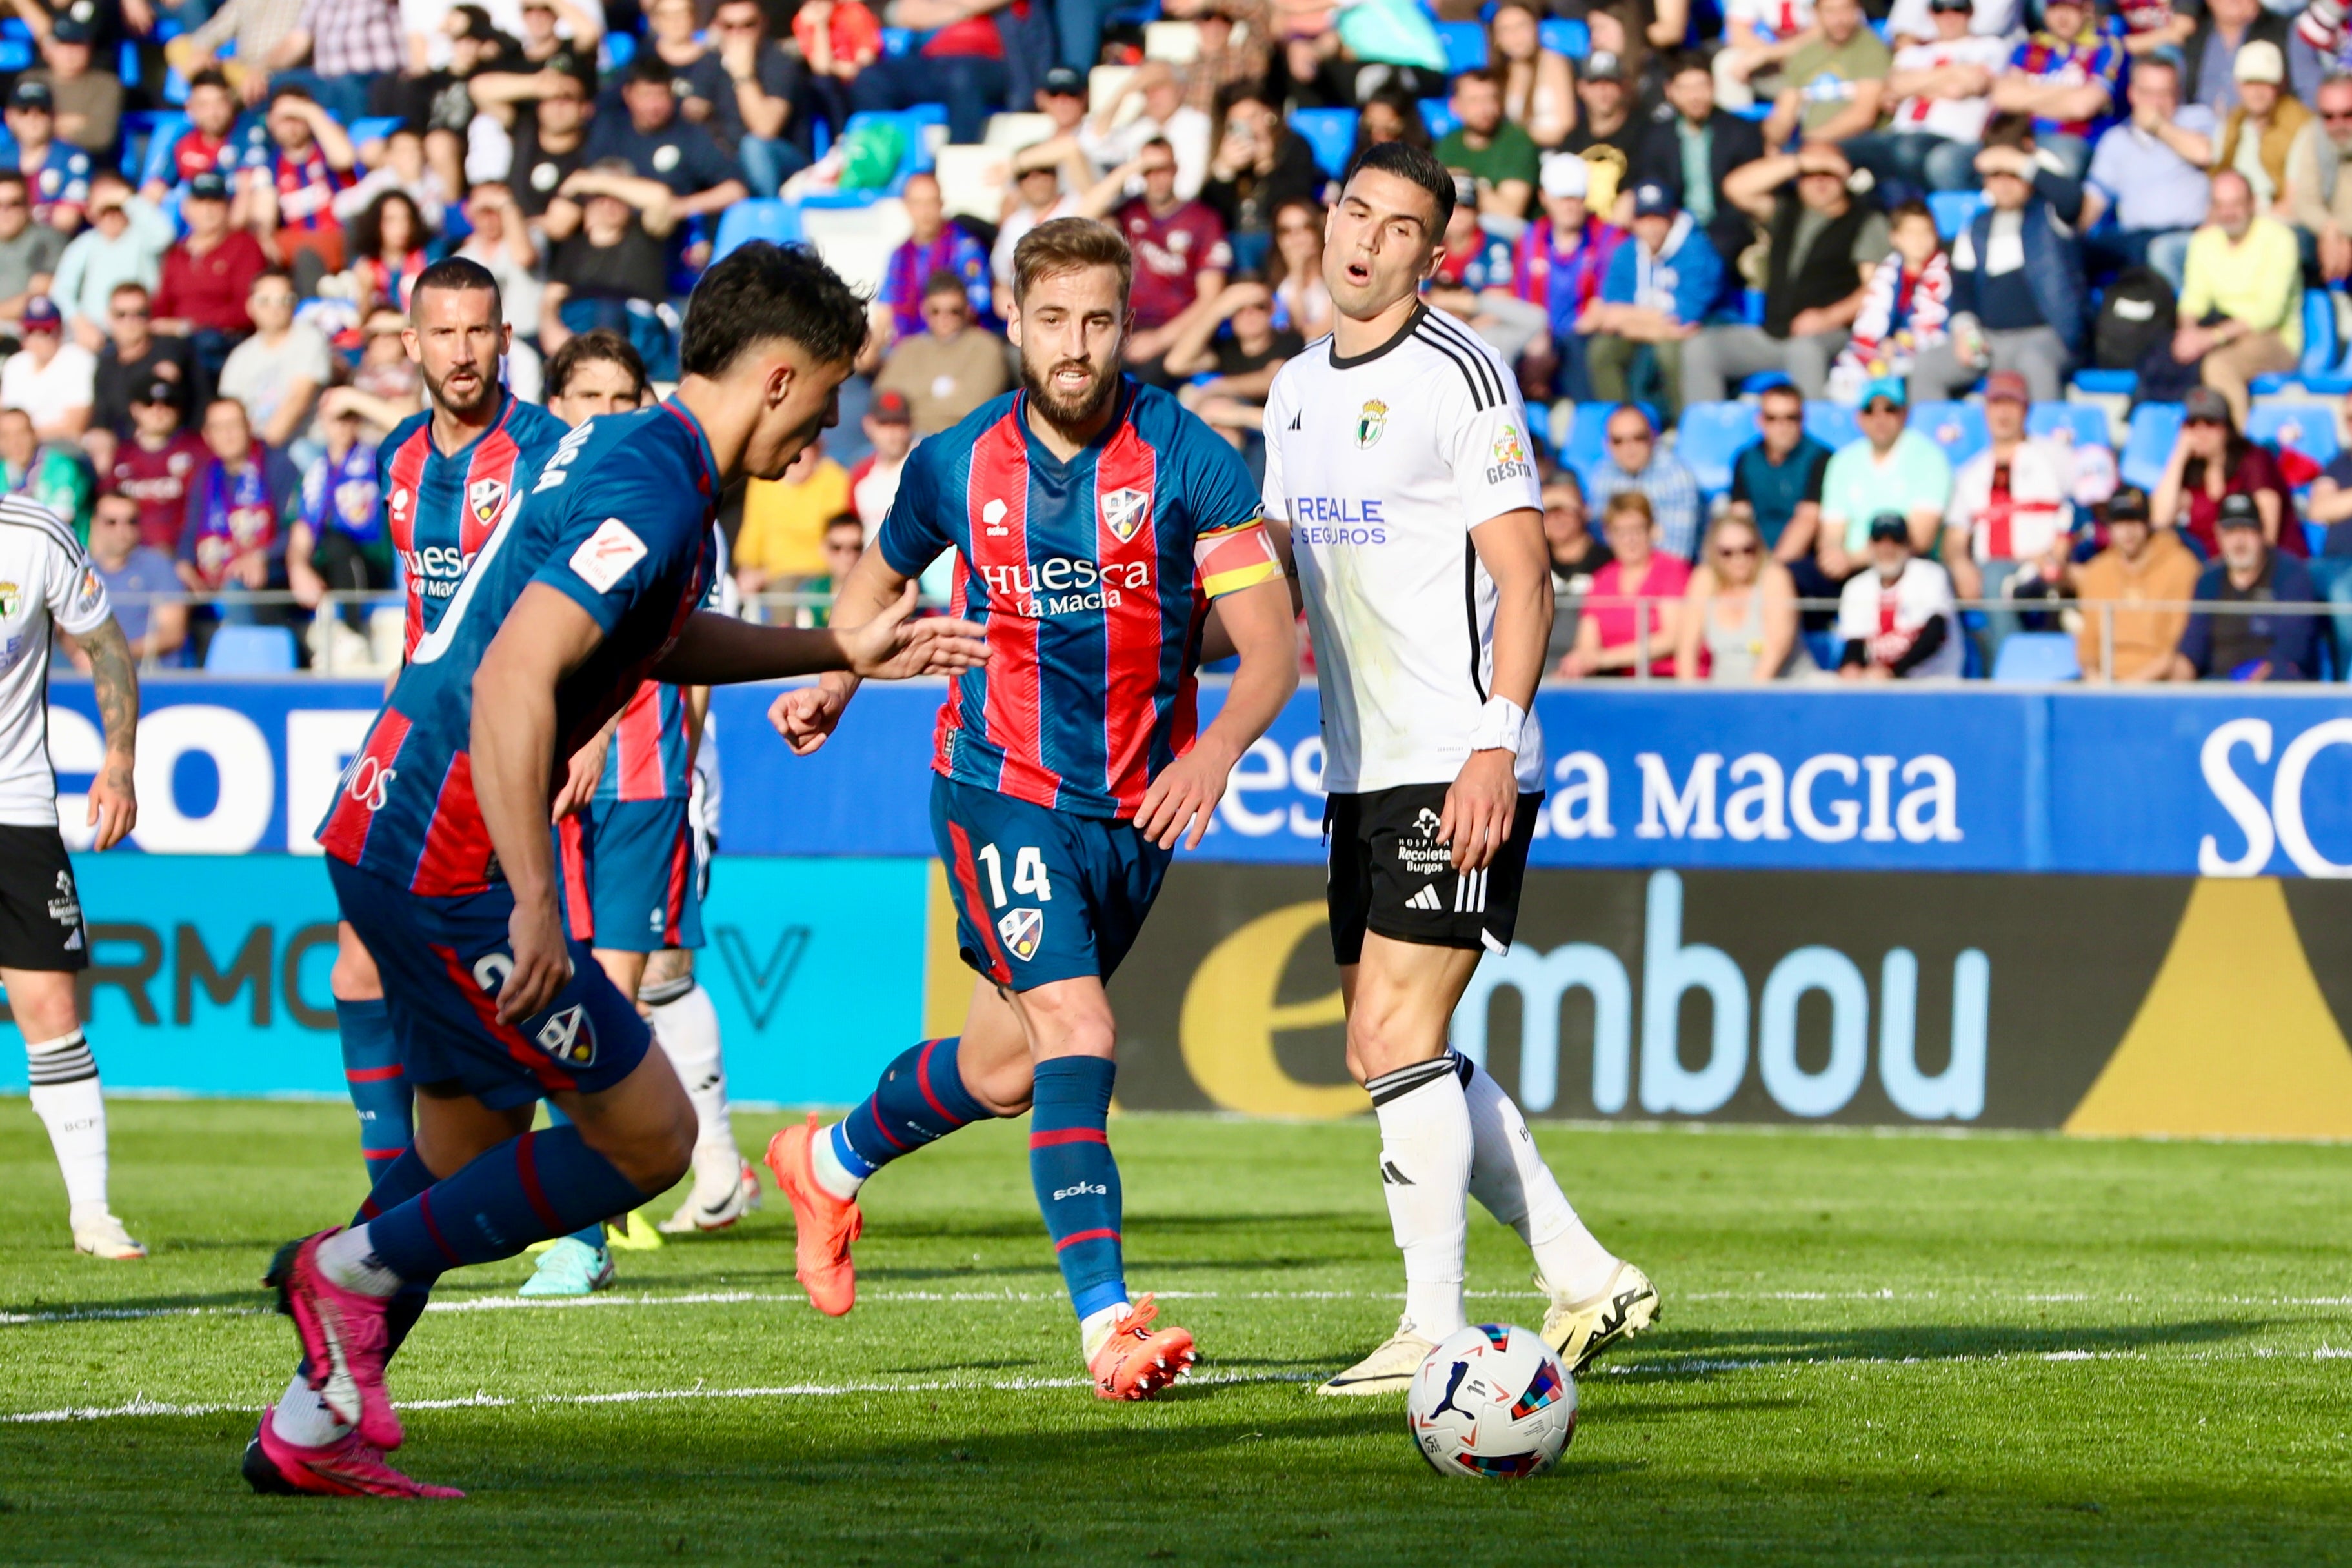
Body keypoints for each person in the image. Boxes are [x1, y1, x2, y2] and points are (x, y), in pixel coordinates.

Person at [245, 240, 986, 1499]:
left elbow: (649, 634)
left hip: (390, 825)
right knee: (651, 1136)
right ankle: (340, 1274)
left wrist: (834, 644)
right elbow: (516, 676)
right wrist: (536, 898)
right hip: (447, 855)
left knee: (461, 1156)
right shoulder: (655, 486)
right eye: (823, 399)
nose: (822, 430)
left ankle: (309, 1432)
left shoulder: (635, 458)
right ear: (778, 376)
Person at [763, 217, 1293, 1402]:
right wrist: (838, 678)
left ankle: (828, 1161)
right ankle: (1107, 1322)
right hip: (998, 783)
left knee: (1008, 1069)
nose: (1076, 344)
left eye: (1099, 319)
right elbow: (882, 575)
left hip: (1136, 806)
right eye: (1053, 319)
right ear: (1016, 323)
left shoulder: (1193, 458)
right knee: (1081, 1033)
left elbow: (1269, 652)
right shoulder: (956, 461)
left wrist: (1211, 755)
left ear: (1127, 323)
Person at [1249, 145, 1654, 1392]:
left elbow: (1530, 579)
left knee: (1393, 1026)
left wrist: (1495, 740)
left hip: (1455, 753)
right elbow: (1266, 575)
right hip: (1360, 761)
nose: (1365, 239)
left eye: (1399, 225)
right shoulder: (1294, 389)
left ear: (1438, 255)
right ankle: (1587, 1276)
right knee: (1391, 1050)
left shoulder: (1460, 376)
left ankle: (1435, 1327)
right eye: (1354, 211)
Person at [528, 329, 753, 1292]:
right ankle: (673, 1177)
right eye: (588, 397)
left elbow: (684, 655)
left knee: (612, 994)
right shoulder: (539, 501)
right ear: (557, 407)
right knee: (562, 994)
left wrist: (606, 737)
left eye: (625, 398)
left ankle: (592, 1220)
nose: (608, 415)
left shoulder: (673, 502)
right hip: (547, 777)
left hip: (642, 777)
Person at [0, 448, 142, 1258]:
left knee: (50, 1013)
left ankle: (92, 1211)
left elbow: (108, 645)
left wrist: (118, 761)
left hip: (15, 806)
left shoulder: (35, 534)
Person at [1689, 142, 1886, 403]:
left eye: (1829, 174)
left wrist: (1828, 317)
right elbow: (1735, 188)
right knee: (1701, 348)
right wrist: (1801, 161)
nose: (1819, 182)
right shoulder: (1785, 211)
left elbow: (1876, 288)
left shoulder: (1866, 220)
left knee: (1804, 351)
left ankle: (1810, 438)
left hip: (1832, 335)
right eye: (1810, 174)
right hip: (1774, 333)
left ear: (1845, 176)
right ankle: (1706, 436)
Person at [1934, 116, 2088, 405]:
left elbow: (2072, 199)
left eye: (2012, 175)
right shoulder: (1978, 226)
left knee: (2035, 364)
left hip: (2045, 336)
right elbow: (1963, 287)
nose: (2004, 185)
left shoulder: (2049, 215)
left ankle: (2045, 447)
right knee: (1928, 368)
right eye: (1995, 175)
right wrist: (1965, 329)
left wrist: (2023, 162)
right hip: (1991, 340)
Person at [1940, 371, 2075, 648]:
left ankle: (2009, 672)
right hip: (1990, 568)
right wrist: (1961, 565)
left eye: (2011, 404)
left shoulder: (2056, 459)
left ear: (2026, 409)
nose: (2003, 413)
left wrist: (2056, 554)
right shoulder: (1971, 473)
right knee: (1987, 579)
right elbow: (1955, 538)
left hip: (2043, 566)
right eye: (1996, 403)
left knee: (1996, 581)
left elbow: (2079, 514)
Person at [2171, 169, 2304, 430]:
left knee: (2219, 365)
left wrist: (2209, 338)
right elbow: (2193, 301)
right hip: (2221, 332)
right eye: (2220, 205)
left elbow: (2269, 313)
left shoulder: (2280, 240)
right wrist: (2188, 335)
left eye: (2235, 204)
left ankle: (2234, 453)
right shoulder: (2203, 242)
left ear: (2252, 203)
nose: (2228, 213)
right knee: (2167, 357)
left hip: (2274, 339)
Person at [1580, 182, 1720, 422]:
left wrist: (1630, 318)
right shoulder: (1626, 253)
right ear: (1634, 221)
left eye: (1659, 218)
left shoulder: (1697, 250)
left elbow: (1685, 318)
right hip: (1653, 333)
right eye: (1644, 219)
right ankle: (1621, 424)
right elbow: (1611, 315)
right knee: (1602, 350)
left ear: (1673, 217)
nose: (1651, 227)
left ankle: (1682, 425)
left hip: (1703, 331)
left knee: (1670, 351)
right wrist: (1655, 327)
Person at [1844, 0, 2008, 196]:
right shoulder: (1913, 53)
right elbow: (1893, 89)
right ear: (1931, 13)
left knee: (1911, 152)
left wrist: (1916, 83)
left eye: (1958, 9)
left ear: (1970, 12)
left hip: (1952, 138)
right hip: (1899, 133)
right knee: (1841, 151)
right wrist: (1955, 74)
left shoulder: (1990, 47)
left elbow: (1963, 88)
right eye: (1940, 9)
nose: (1949, 16)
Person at [2081, 57, 2215, 292]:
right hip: (2133, 239)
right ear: (2132, 94)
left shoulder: (2196, 118)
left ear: (2178, 93)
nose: (2156, 103)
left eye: (2165, 93)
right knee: (2073, 255)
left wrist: (2159, 127)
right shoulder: (2116, 140)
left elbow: (2204, 153)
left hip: (2188, 234)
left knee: (2161, 251)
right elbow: (2094, 202)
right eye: (2148, 94)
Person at [538, 161, 679, 376]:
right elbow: (551, 299)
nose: (609, 205)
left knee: (609, 317)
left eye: (618, 197)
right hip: (579, 328)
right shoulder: (574, 245)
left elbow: (661, 199)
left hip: (636, 329)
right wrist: (552, 330)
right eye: (600, 197)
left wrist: (592, 181)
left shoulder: (645, 234)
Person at [1632, 54, 1764, 283]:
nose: (1695, 97)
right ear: (1670, 91)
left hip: (1728, 231)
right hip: (1673, 227)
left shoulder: (1741, 132)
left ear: (1714, 87)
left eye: (1702, 86)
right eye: (1686, 88)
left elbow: (1743, 203)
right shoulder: (1656, 137)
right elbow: (1655, 189)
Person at [1114, 138, 1234, 377]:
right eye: (1148, 171)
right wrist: (1126, 171)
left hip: (1178, 327)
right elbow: (1079, 217)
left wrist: (1159, 340)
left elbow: (1211, 297)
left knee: (1149, 379)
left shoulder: (1204, 219)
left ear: (1176, 169)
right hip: (1126, 322)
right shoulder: (1126, 214)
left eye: (1163, 169)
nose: (1157, 178)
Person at [2171, 491, 2320, 680]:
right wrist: (2177, 691)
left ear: (2262, 532)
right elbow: (2192, 650)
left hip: (2275, 688)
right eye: (2231, 532)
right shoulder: (2208, 580)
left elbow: (2292, 650)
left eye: (2247, 530)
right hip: (2218, 687)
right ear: (2218, 534)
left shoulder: (2291, 574)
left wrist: (2242, 687)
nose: (2239, 542)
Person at [1512, 154, 1623, 400]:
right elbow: (1520, 301)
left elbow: (1603, 306)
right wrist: (1539, 341)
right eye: (1562, 198)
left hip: (1581, 342)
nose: (1570, 206)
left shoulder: (1610, 239)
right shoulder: (1529, 240)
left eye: (1576, 197)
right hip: (1536, 341)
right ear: (1544, 198)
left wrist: (1555, 349)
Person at [1818, 377, 1953, 578]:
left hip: (1907, 567)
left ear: (1904, 414)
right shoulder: (1842, 462)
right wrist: (1833, 556)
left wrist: (1851, 560)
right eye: (1870, 410)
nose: (1880, 418)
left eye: (1889, 409)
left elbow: (1920, 539)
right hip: (1847, 569)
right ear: (1859, 417)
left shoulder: (1929, 458)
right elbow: (1831, 532)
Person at [2151, 384, 2299, 558]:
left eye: (2210, 423)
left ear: (2227, 428)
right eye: (2192, 424)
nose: (2201, 432)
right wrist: (2179, 454)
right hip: (2211, 572)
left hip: (2266, 567)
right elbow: (2159, 521)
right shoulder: (2189, 471)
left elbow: (2267, 535)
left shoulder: (2255, 461)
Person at [1828, 200, 1952, 405]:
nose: (1920, 240)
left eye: (1926, 232)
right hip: (1884, 352)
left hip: (1925, 353)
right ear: (1895, 238)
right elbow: (1870, 325)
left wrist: (1901, 346)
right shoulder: (1888, 273)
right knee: (1845, 377)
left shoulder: (1947, 274)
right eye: (1911, 233)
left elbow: (1936, 331)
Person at [2074, 484, 2200, 681]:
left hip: (2159, 682)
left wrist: (2130, 687)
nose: (2127, 532)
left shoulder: (2181, 566)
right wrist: (2093, 675)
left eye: (2134, 522)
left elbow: (2178, 647)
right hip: (2106, 681)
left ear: (2148, 523)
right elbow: (2088, 642)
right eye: (2120, 523)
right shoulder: (2097, 571)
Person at [152, 172, 270, 383]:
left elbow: (246, 310)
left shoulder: (244, 246)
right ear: (187, 208)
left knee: (202, 348)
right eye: (200, 202)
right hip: (177, 340)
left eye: (215, 203)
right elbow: (162, 304)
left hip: (222, 341)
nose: (207, 210)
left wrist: (190, 325)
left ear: (227, 208)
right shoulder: (176, 254)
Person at [1558, 489, 1689, 676]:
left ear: (1651, 530)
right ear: (1608, 534)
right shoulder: (1602, 580)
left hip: (1664, 680)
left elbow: (1672, 637)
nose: (1630, 539)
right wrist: (1578, 662)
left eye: (1637, 529)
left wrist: (1604, 659)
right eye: (1620, 531)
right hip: (1614, 683)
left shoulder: (1673, 570)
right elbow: (1587, 642)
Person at [1163, 274, 1302, 448]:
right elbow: (1176, 363)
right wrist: (1218, 309)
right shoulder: (1227, 349)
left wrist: (1218, 388)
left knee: (1215, 410)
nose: (1249, 314)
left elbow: (1272, 379)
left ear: (1272, 309)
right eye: (1239, 308)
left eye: (1259, 306)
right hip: (1236, 429)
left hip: (1275, 432)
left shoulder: (1290, 341)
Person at [1985, 0, 2119, 181]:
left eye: (2071, 8)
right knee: (1953, 161)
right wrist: (2065, 94)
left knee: (2063, 164)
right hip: (2019, 136)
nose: (2062, 17)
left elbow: (2081, 107)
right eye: (2056, 8)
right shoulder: (2028, 47)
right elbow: (2003, 98)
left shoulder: (2105, 49)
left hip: (2071, 139)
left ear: (2086, 10)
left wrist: (2027, 94)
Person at [287, 399, 387, 638]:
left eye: (350, 417)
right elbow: (301, 531)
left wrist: (363, 402)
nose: (343, 426)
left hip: (369, 560)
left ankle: (355, 635)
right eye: (336, 419)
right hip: (327, 563)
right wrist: (298, 567)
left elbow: (412, 428)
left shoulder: (379, 462)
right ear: (322, 422)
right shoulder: (313, 474)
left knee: (338, 545)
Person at [1676, 505, 1811, 680]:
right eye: (1727, 553)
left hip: (1787, 690)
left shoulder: (1774, 576)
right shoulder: (1705, 578)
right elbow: (1687, 646)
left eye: (1748, 550)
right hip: (1727, 693)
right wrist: (1688, 699)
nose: (1739, 559)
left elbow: (1778, 647)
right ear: (1714, 553)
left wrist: (1749, 701)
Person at [1200, 80, 1320, 273]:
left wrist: (1266, 166)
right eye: (1239, 123)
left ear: (1270, 114)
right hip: (1234, 249)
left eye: (1254, 117)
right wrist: (1224, 172)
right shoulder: (1228, 155)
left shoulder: (1294, 146)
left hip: (1278, 244)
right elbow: (1209, 216)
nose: (1250, 127)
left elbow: (1297, 198)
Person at [246, 87, 357, 294]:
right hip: (300, 251)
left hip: (340, 240)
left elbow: (345, 158)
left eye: (297, 117)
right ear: (271, 122)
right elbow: (262, 218)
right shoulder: (269, 166)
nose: (291, 126)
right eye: (284, 119)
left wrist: (309, 111)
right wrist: (264, 235)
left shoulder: (326, 150)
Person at [874, 273, 1014, 436]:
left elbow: (973, 407)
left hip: (958, 440)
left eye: (954, 311)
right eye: (935, 311)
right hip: (902, 439)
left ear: (967, 309)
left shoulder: (986, 347)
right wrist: (937, 388)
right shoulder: (908, 348)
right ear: (924, 310)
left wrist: (910, 400)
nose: (944, 318)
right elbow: (882, 398)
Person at [1730, 382, 1838, 591]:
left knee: (1782, 583)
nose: (1782, 426)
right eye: (1773, 418)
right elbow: (1739, 518)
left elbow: (1807, 521)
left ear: (1802, 419)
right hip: (1754, 559)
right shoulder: (1745, 459)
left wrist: (1769, 571)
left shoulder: (1820, 458)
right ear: (1760, 421)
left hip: (1801, 563)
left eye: (1791, 417)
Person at [50, 173, 174, 350]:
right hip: (95, 333)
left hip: (139, 328)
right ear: (90, 212)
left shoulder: (142, 237)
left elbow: (164, 237)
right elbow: (61, 291)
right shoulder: (85, 243)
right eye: (103, 210)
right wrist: (80, 324)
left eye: (117, 208)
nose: (111, 217)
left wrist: (127, 199)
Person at [1837, 511, 1963, 678]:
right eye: (1879, 540)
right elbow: (1855, 643)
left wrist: (1893, 672)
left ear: (1908, 545)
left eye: (1896, 540)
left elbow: (1935, 634)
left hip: (1932, 682)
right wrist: (1851, 667)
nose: (1887, 548)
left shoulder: (1930, 575)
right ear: (1870, 545)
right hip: (1882, 685)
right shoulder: (1856, 587)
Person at [217, 269, 331, 452]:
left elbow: (298, 401)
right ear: (250, 306)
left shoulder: (309, 339)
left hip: (304, 444)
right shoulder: (239, 357)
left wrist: (259, 455)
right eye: (264, 301)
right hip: (256, 451)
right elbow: (229, 415)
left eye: (284, 300)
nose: (274, 308)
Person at [878, 173, 993, 345]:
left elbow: (977, 304)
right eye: (917, 203)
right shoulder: (900, 255)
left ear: (941, 205)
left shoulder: (965, 248)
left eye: (930, 203)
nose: (925, 212)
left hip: (955, 343)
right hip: (907, 346)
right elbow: (885, 311)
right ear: (906, 206)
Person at [1762, 0, 1891, 153]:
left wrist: (1808, 143)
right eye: (1830, 11)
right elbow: (1785, 111)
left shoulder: (1872, 49)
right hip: (1810, 145)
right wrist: (1772, 140)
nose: (1839, 19)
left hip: (1857, 143)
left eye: (1846, 10)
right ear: (1816, 14)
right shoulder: (1805, 54)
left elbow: (1862, 116)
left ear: (1858, 11)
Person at [79, 489, 188, 667]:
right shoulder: (81, 570)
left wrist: (114, 655)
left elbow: (173, 632)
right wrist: (79, 655)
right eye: (111, 522)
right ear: (94, 524)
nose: (122, 530)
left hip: (149, 678)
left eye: (131, 521)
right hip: (85, 678)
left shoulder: (158, 565)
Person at [734, 434, 851, 592]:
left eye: (805, 448)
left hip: (819, 573)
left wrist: (772, 572)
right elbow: (752, 534)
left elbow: (837, 542)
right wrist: (748, 570)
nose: (799, 458)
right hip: (770, 578)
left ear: (817, 450)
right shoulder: (763, 482)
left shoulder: (835, 479)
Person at [106, 379, 210, 554]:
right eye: (149, 403)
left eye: (168, 403)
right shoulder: (122, 456)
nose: (158, 410)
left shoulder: (198, 452)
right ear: (135, 409)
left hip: (183, 556)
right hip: (131, 556)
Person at [2208, 41, 2306, 217]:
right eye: (2250, 83)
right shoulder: (2232, 124)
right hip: (2233, 220)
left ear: (2280, 85)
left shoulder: (2298, 125)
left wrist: (2253, 231)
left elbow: (2294, 203)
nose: (2257, 92)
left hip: (2279, 223)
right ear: (2237, 85)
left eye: (2265, 83)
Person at [1436, 68, 1540, 221]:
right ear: (1455, 105)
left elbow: (1510, 212)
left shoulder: (1517, 142)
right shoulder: (1448, 143)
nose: (1485, 109)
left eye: (1491, 99)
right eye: (1474, 100)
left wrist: (1463, 182)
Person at [26, 11, 123, 160]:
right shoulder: (31, 82)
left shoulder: (107, 85)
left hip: (92, 166)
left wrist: (45, 127)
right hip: (37, 163)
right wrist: (72, 124)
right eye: (62, 45)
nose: (70, 53)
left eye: (77, 45)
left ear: (89, 49)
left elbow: (101, 137)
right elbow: (19, 131)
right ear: (46, 50)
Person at [2287, 73, 2352, 287]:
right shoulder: (2313, 137)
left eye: (2348, 114)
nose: (2338, 124)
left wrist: (2339, 232)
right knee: (2289, 241)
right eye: (2328, 116)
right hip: (2328, 243)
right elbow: (2304, 201)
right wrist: (2330, 230)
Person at [6, 79, 94, 234]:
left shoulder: (74, 159)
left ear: (53, 116)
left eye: (42, 111)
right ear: (10, 117)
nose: (33, 118)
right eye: (24, 111)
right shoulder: (3, 159)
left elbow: (67, 220)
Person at [1, 296, 95, 441]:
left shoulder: (77, 360)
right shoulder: (15, 365)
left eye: (46, 331)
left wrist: (21, 438)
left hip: (60, 448)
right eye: (31, 330)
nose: (38, 338)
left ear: (61, 331)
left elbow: (74, 427)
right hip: (17, 448)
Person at [1491, 0, 1575, 148]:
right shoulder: (1500, 74)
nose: (1516, 35)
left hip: (1554, 151)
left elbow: (1567, 127)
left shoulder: (1555, 64)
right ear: (1497, 39)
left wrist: (1522, 136)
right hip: (1516, 154)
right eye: (1506, 29)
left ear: (1536, 29)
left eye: (1522, 26)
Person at [0, 406, 91, 541]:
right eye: (5, 436)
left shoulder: (63, 468)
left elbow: (56, 524)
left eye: (22, 433)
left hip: (62, 552)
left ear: (34, 434)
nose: (15, 443)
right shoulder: (3, 471)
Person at [0, 171, 66, 332]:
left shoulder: (46, 240)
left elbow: (37, 298)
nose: (5, 211)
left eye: (14, 203)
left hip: (25, 334)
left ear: (29, 203)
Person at [847, 387, 914, 537]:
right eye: (884, 424)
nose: (892, 433)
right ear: (868, 425)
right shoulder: (861, 475)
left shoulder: (922, 470)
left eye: (899, 423)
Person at [1558, 48, 1640, 162]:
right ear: (1581, 88)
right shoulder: (1572, 143)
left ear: (1623, 87)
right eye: (1595, 82)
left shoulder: (1641, 137)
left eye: (1611, 81)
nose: (1603, 89)